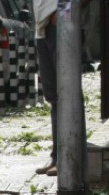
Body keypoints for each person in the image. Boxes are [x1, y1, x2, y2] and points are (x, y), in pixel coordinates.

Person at [33, 0, 89, 176]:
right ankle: (58, 157)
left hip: (62, 25)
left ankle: (72, 157)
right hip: (42, 29)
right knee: (54, 97)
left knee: (68, 93)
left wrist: (65, 12)